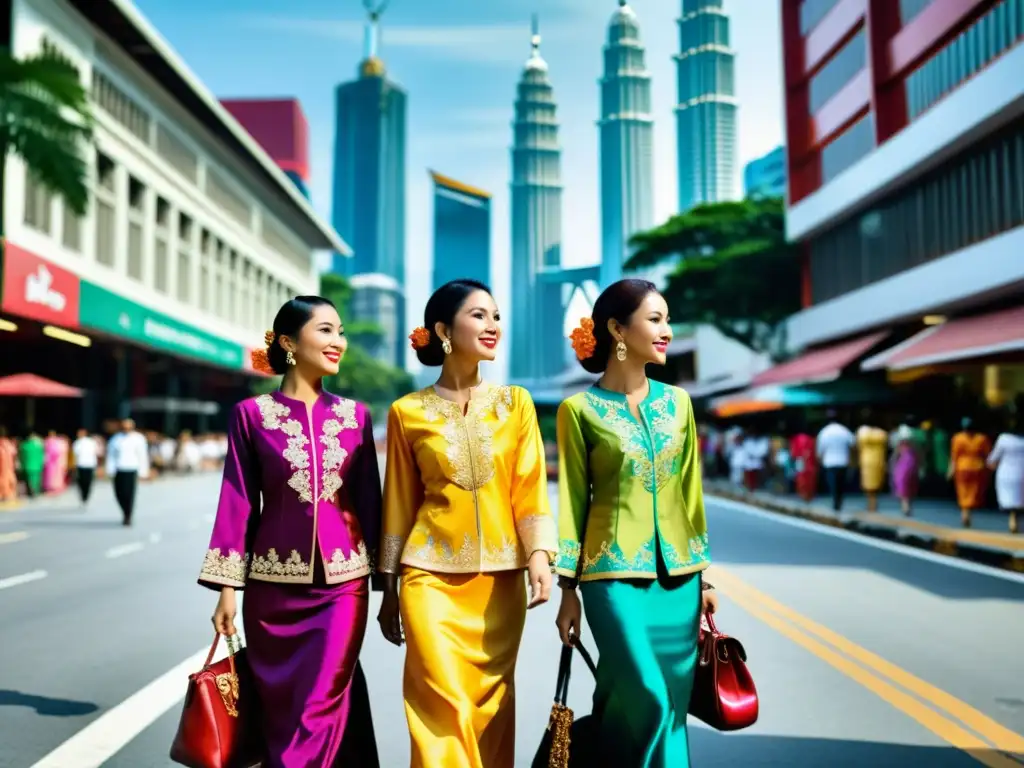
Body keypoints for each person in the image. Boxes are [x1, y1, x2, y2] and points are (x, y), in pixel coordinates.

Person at [377, 279, 556, 768]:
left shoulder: (516, 405)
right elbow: (398, 502)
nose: (493, 325)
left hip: (501, 586)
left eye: (496, 316)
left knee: (492, 711)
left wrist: (539, 554)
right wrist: (388, 586)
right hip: (427, 578)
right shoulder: (406, 412)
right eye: (479, 315)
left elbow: (529, 488)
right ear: (443, 329)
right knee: (443, 706)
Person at [202, 296, 381, 768]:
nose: (338, 341)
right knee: (281, 715)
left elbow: (370, 504)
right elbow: (237, 502)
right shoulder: (251, 415)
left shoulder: (356, 417)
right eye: (325, 330)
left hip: (343, 588)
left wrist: (392, 586)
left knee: (319, 707)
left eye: (339, 331)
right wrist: (227, 591)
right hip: (270, 592)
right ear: (288, 342)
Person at [554, 279, 717, 768]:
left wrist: (703, 573)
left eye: (667, 319)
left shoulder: (679, 404)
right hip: (610, 580)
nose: (667, 331)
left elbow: (690, 494)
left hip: (679, 583)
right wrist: (567, 589)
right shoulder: (578, 411)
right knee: (650, 699)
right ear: (617, 329)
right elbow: (571, 504)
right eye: (656, 319)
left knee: (667, 711)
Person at [949, 417, 992, 527]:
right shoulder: (982, 438)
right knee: (973, 491)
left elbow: (954, 456)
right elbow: (987, 455)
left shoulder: (957, 438)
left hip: (962, 467)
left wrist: (951, 470)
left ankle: (965, 513)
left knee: (963, 491)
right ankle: (968, 513)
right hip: (977, 467)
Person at [105, 418, 149, 525]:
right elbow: (111, 456)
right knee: (119, 493)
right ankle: (124, 510)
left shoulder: (139, 439)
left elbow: (142, 455)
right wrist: (109, 469)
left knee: (129, 494)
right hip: (119, 469)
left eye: (128, 426)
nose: (126, 429)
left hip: (132, 468)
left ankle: (127, 515)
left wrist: (143, 471)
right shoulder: (115, 439)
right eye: (124, 427)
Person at [986, 421, 1023, 534]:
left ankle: (1012, 521)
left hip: (1006, 473)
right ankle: (1015, 520)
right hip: (1022, 473)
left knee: (1011, 500)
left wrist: (990, 465)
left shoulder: (1003, 439)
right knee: (1020, 501)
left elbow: (993, 458)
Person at [816, 412, 854, 511]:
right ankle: (839, 501)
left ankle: (835, 501)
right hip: (843, 461)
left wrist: (820, 462)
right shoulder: (844, 430)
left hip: (830, 463)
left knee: (833, 484)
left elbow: (820, 451)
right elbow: (853, 445)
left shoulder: (824, 432)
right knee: (841, 483)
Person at [855, 422, 888, 512]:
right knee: (876, 484)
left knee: (868, 484)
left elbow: (858, 445)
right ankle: (873, 503)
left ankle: (871, 503)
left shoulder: (863, 433)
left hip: (866, 461)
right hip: (878, 460)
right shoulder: (881, 434)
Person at [71, 428, 99, 506]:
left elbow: (95, 453)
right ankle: (83, 495)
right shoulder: (77, 443)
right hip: (80, 464)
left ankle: (86, 496)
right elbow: (74, 455)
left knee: (88, 481)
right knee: (81, 481)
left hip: (89, 464)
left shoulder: (91, 442)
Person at [18, 431, 44, 498]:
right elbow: (41, 456)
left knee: (29, 479)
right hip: (37, 466)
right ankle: (35, 491)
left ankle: (30, 491)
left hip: (28, 465)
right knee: (36, 479)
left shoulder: (24, 446)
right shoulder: (38, 446)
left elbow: (21, 456)